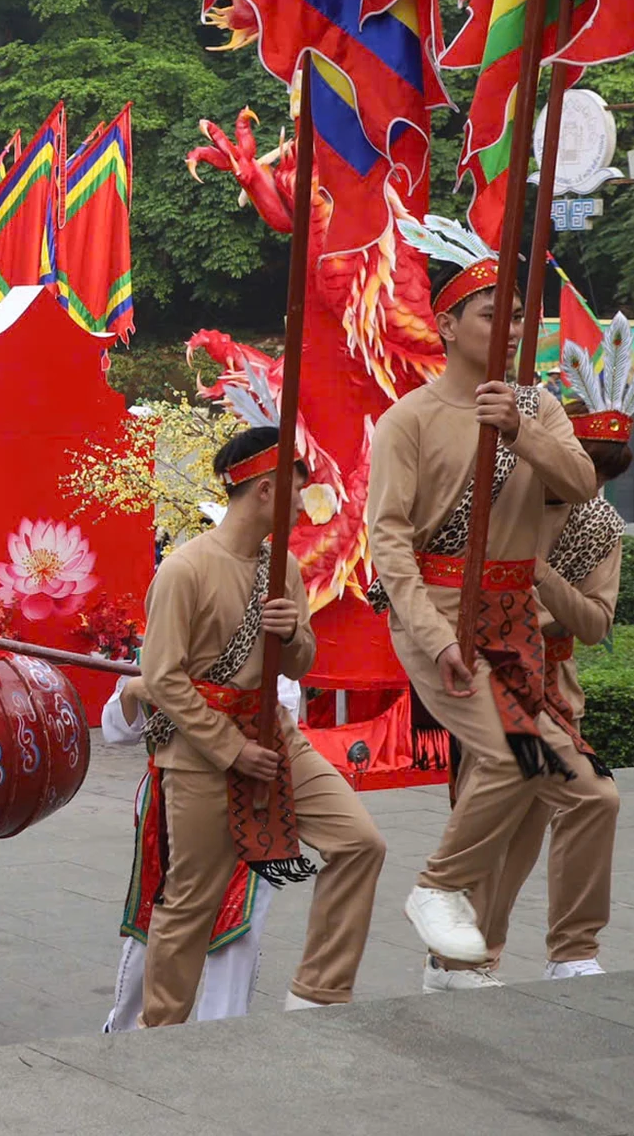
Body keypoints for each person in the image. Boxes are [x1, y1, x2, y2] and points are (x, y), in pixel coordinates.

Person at [370, 218, 610, 974]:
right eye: (488, 314)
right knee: (512, 762)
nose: (506, 328)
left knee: (589, 792)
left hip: (516, 624)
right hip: (440, 616)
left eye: (515, 316)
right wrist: (434, 639)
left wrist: (521, 433)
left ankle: (564, 953)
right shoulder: (407, 420)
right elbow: (389, 545)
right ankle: (438, 889)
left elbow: (581, 486)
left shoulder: (537, 409)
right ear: (445, 325)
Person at [140, 425, 387, 1024]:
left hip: (275, 736)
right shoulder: (185, 570)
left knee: (361, 842)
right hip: (201, 754)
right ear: (264, 490)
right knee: (192, 903)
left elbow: (302, 662)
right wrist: (230, 749)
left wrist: (291, 632)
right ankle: (159, 1036)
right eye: (295, 489)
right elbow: (163, 678)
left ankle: (319, 993)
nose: (303, 503)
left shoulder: (286, 572)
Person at [450, 331, 634, 987]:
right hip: (486, 675)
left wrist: (542, 576)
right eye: (580, 465)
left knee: (557, 809)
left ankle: (565, 950)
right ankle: (468, 957)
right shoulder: (491, 492)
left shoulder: (597, 525)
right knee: (497, 830)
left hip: (554, 687)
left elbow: (596, 623)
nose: (586, 485)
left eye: (599, 473)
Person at [99, 666, 298, 1031]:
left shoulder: (263, 654)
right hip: (170, 809)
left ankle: (220, 1041)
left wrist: (200, 703)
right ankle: (128, 1034)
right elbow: (116, 730)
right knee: (157, 926)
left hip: (245, 808)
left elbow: (282, 721)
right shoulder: (163, 645)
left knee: (236, 931)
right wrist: (132, 690)